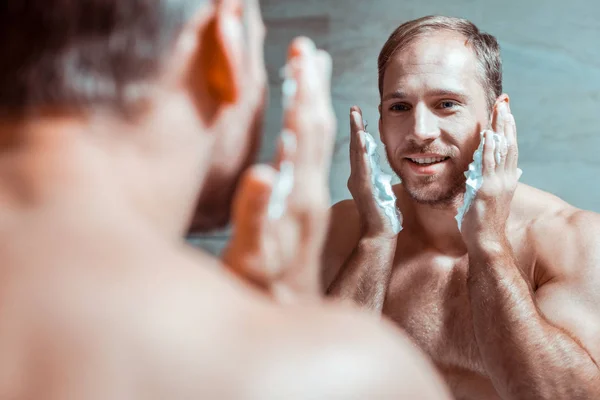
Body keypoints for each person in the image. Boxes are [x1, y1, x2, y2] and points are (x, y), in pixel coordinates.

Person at [0, 1, 452, 399]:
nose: (421, 132)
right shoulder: (353, 376)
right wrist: (288, 347)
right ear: (225, 42)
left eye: (447, 104)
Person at [323, 15, 600, 400]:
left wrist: (489, 245)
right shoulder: (338, 233)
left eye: (446, 104)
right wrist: (375, 241)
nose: (420, 131)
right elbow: (308, 385)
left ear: (495, 115)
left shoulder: (575, 241)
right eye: (399, 107)